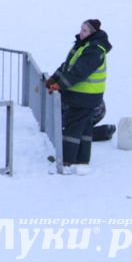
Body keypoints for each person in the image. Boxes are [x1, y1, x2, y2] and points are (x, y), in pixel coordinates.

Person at [46, 19, 112, 167]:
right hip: (84, 95)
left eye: (85, 31)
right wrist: (55, 78)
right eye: (81, 29)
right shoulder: (83, 45)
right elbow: (68, 66)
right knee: (85, 127)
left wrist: (59, 84)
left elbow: (78, 72)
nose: (81, 33)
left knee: (73, 127)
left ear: (92, 33)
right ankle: (82, 159)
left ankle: (66, 160)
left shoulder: (94, 50)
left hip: (84, 95)